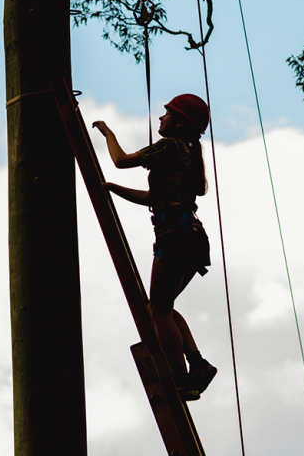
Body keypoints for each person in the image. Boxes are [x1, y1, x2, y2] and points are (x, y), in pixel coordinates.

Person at [92, 94, 217, 400]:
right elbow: (154, 198)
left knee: (157, 311)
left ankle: (182, 377)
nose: (160, 119)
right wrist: (114, 190)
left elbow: (121, 161)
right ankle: (197, 363)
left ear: (179, 122)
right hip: (191, 235)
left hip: (175, 236)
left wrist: (108, 134)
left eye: (166, 114)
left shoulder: (169, 146)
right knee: (164, 307)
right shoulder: (187, 152)